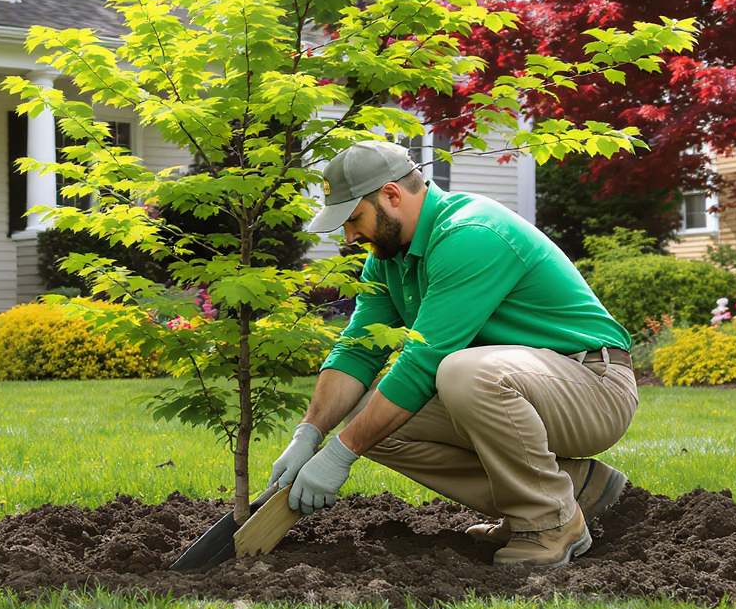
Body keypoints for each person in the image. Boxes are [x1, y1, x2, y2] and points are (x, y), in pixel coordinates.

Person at [269, 140, 638, 567]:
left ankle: (550, 522)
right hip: (519, 387)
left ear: (391, 195)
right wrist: (310, 433)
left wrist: (340, 454)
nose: (350, 237)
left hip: (593, 385)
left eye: (355, 219)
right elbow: (358, 349)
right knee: (368, 417)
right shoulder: (388, 258)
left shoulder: (469, 234)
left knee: (461, 371)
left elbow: (423, 364)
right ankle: (569, 490)